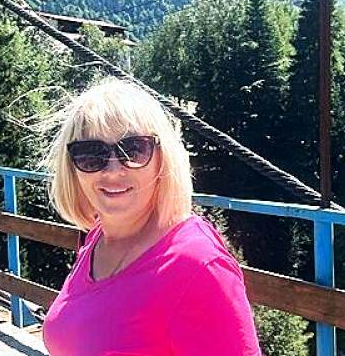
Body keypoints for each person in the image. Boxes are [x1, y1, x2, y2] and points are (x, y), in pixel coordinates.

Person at [41, 77, 261, 356]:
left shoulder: (198, 267)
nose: (113, 170)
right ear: (72, 168)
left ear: (162, 158)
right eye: (90, 155)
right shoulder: (98, 239)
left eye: (134, 150)